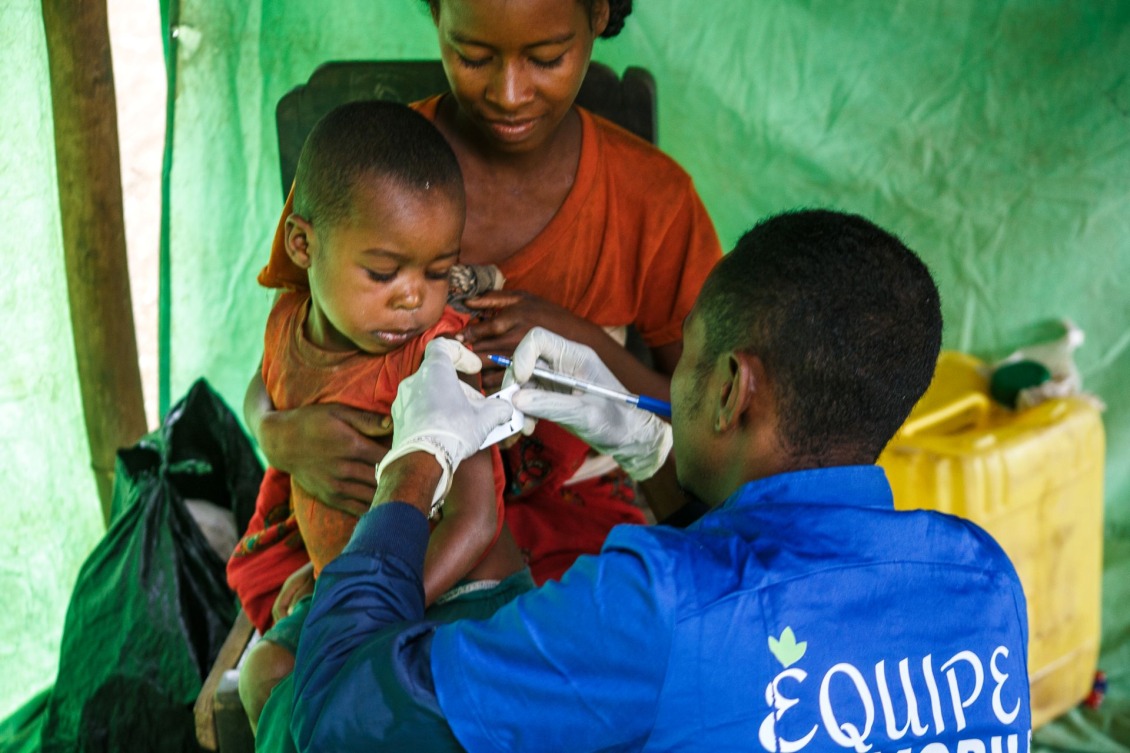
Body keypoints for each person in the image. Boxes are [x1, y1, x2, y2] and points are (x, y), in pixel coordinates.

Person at [286, 210, 1032, 752]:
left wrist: (416, 461)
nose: (671, 386)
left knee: (273, 684)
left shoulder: (654, 605)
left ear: (733, 387)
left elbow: (337, 719)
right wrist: (655, 455)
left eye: (690, 362)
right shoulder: (983, 575)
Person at [246, 0, 724, 585]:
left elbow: (709, 416)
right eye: (473, 56)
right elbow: (289, 351)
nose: (510, 93)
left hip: (563, 514)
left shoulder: (654, 201)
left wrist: (587, 349)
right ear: (435, 15)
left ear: (598, 14)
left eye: (547, 58)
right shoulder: (365, 172)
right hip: (356, 500)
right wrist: (277, 435)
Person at [226, 100, 531, 730]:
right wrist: (270, 429)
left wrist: (367, 612)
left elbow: (475, 520)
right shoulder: (288, 322)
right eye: (384, 272)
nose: (414, 297)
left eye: (438, 272)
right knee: (264, 674)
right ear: (303, 245)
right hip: (350, 583)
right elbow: (267, 383)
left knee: (417, 713)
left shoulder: (435, 355)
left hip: (459, 591)